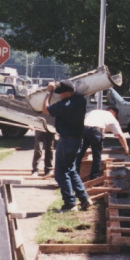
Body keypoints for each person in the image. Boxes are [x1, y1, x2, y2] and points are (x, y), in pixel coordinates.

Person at [42, 79, 92, 212]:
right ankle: (84, 198)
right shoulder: (81, 100)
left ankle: (70, 204)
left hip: (66, 141)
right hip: (77, 141)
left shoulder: (64, 105)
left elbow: (45, 109)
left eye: (61, 93)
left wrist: (49, 92)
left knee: (60, 173)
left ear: (68, 93)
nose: (59, 95)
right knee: (71, 170)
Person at [76, 106, 129, 179]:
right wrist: (126, 149)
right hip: (96, 132)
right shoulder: (111, 117)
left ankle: (74, 176)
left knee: (79, 155)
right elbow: (121, 136)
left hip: (84, 129)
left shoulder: (95, 111)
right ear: (113, 112)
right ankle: (94, 178)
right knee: (97, 157)